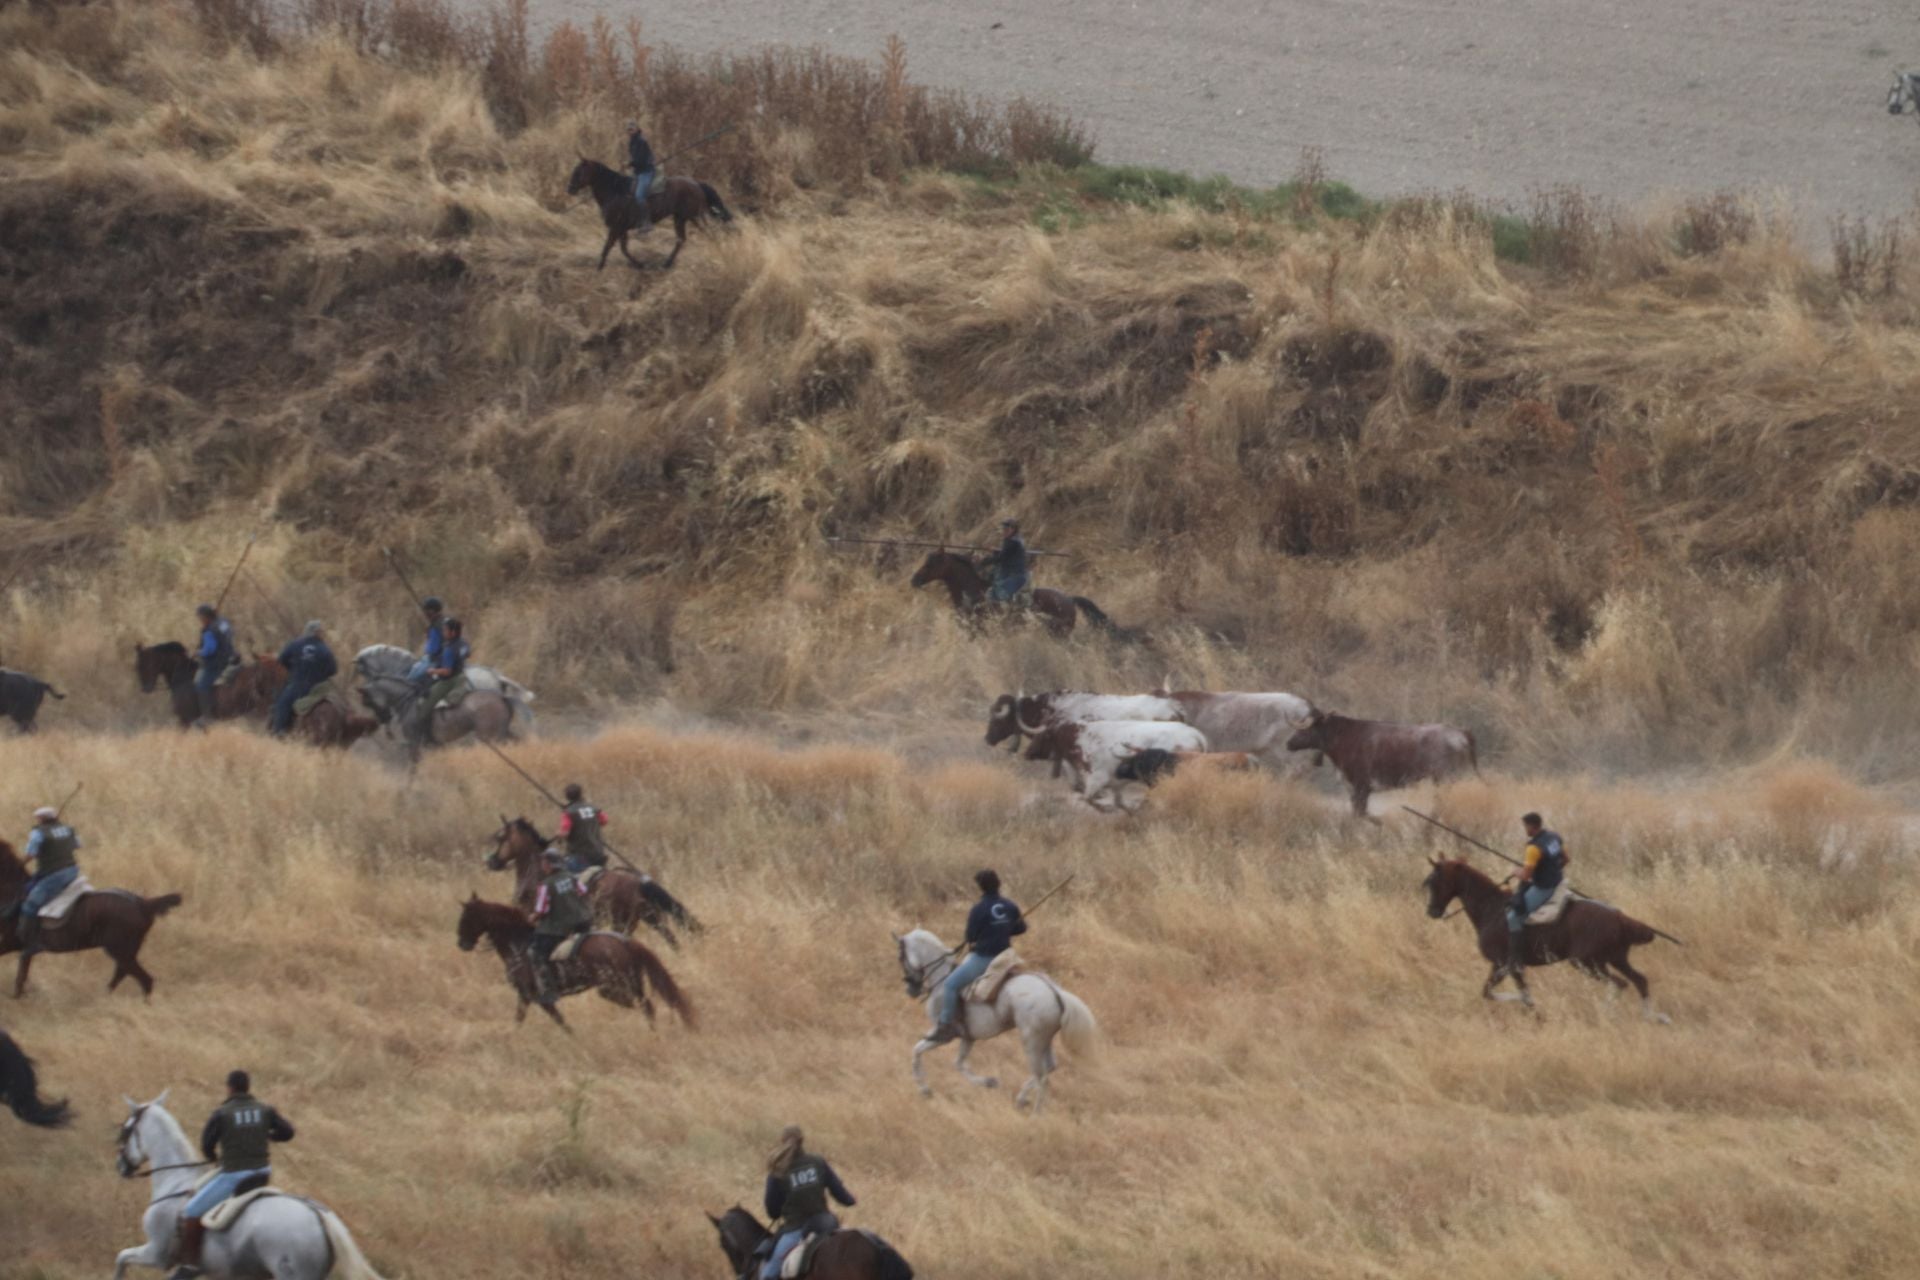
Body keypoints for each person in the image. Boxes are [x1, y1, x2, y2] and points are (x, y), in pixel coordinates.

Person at [167, 1069, 295, 1280]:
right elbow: (288, 1132)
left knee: (191, 1210)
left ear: (230, 1088)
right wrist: (271, 1135)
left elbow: (207, 1144)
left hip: (234, 1176)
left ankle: (189, 1265)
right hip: (263, 1172)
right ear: (247, 1087)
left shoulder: (222, 1113)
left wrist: (213, 1156)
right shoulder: (265, 1109)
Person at [928, 869, 1026, 1045]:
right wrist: (1005, 928)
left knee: (950, 985)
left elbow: (971, 937)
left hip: (985, 958)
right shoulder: (1010, 905)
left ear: (980, 887)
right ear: (999, 884)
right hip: (1007, 956)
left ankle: (945, 1025)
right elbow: (1021, 929)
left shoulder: (978, 909)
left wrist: (987, 932)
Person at [760, 1125, 855, 1280]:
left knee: (768, 1274)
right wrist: (851, 1200)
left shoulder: (778, 1171)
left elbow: (772, 1211)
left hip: (796, 1229)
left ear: (782, 1142)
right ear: (802, 1141)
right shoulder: (818, 1162)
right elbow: (840, 1194)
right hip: (827, 1224)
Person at [11, 807, 80, 959]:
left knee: (30, 904)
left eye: (38, 818)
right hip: (72, 871)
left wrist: (19, 864)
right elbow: (77, 845)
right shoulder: (68, 829)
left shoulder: (38, 833)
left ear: (41, 819)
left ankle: (31, 942)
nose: (37, 820)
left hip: (53, 875)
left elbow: (31, 854)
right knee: (27, 888)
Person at [1505, 812, 1568, 973]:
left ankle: (1517, 961)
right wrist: (1551, 871)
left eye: (1525, 826)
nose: (1524, 829)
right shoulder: (1554, 837)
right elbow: (1566, 859)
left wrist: (1515, 871)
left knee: (1513, 917)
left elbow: (1526, 876)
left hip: (1544, 888)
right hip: (1558, 881)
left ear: (1532, 827)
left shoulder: (1533, 848)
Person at [528, 847, 591, 1006]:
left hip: (557, 929)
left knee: (536, 954)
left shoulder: (545, 885)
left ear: (549, 864)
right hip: (583, 923)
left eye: (543, 861)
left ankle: (550, 991)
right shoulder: (571, 877)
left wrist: (531, 918)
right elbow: (584, 892)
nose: (542, 864)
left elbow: (541, 910)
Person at [268, 621, 337, 738]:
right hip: (317, 689)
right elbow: (333, 670)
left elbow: (281, 659)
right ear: (318, 633)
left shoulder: (296, 644)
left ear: (307, 631)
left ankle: (279, 731)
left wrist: (292, 668)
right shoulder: (326, 650)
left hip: (297, 685)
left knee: (282, 703)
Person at [413, 617, 470, 741]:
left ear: (453, 633)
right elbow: (467, 654)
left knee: (424, 707)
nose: (443, 633)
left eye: (445, 631)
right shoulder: (463, 643)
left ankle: (425, 735)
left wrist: (431, 670)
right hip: (462, 676)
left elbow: (447, 671)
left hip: (449, 681)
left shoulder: (449, 649)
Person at [193, 604, 236, 725]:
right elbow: (231, 631)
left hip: (217, 663)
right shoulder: (223, 622)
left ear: (206, 617)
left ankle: (207, 716)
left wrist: (198, 652)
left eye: (200, 617)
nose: (200, 620)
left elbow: (209, 650)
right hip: (231, 658)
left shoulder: (209, 631)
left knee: (201, 686)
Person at [558, 783, 609, 873]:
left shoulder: (569, 812)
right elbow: (604, 821)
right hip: (598, 852)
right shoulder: (593, 808)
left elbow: (565, 833)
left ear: (567, 797)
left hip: (579, 856)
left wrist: (558, 835)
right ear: (581, 794)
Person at [982, 518, 1030, 604]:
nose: (1004, 531)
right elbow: (1007, 555)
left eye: (1006, 529)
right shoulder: (1016, 540)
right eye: (1003, 529)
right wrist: (994, 551)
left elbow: (1001, 558)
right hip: (1014, 573)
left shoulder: (1012, 542)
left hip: (1014, 575)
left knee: (997, 594)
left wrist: (983, 561)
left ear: (1013, 529)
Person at [406, 596, 446, 686]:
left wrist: (426, 656)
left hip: (437, 660)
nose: (425, 613)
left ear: (432, 611)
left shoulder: (436, 626)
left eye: (426, 611)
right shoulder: (444, 622)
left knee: (412, 678)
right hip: (443, 658)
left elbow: (433, 650)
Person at [626, 121, 656, 231]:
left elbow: (641, 160)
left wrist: (630, 163)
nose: (630, 131)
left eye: (632, 129)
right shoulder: (631, 142)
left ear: (637, 129)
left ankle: (647, 222)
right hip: (637, 172)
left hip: (646, 172)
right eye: (628, 130)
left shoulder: (642, 141)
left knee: (639, 196)